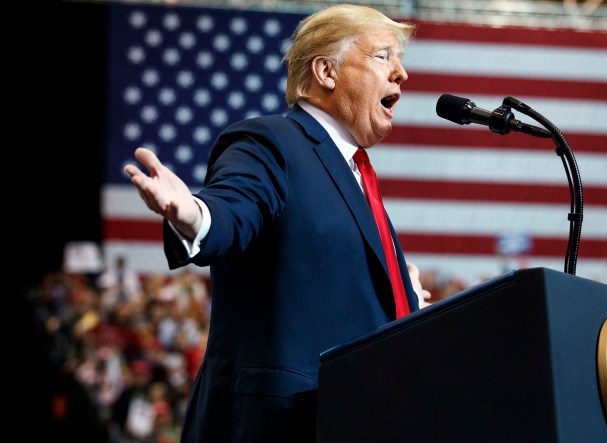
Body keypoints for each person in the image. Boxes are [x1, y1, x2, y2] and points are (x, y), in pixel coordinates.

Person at [123, 4, 430, 441]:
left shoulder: (356, 176)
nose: (401, 73)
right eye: (383, 56)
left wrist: (407, 303)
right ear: (326, 71)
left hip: (349, 420)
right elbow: (234, 209)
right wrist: (194, 214)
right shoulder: (272, 141)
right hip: (278, 425)